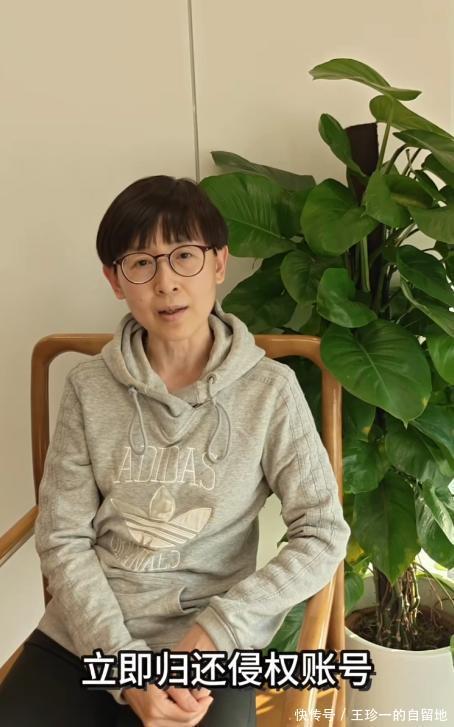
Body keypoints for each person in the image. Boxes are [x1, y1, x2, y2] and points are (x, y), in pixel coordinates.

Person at [0, 175, 351, 726]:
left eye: (184, 255)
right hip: (88, 636)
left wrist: (217, 633)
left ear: (218, 263)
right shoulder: (89, 388)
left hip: (210, 645)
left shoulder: (270, 391)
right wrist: (125, 668)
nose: (166, 283)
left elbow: (323, 532)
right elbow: (63, 537)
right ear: (115, 280)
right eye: (141, 263)